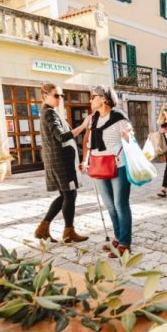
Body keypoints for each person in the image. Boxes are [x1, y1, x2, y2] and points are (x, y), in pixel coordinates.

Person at [80, 85, 134, 258]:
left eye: (93, 96)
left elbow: (129, 140)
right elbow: (88, 141)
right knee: (110, 205)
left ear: (103, 98)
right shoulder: (93, 119)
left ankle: (125, 244)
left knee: (120, 204)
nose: (90, 100)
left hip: (119, 166)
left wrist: (128, 135)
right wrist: (85, 159)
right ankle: (118, 237)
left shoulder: (119, 118)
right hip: (98, 165)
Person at [34, 83, 90, 243]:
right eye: (56, 95)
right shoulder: (49, 113)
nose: (60, 98)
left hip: (60, 162)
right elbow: (62, 136)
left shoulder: (50, 112)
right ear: (44, 97)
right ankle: (68, 231)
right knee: (70, 194)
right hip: (60, 163)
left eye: (61, 95)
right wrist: (83, 126)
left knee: (66, 195)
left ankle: (43, 229)